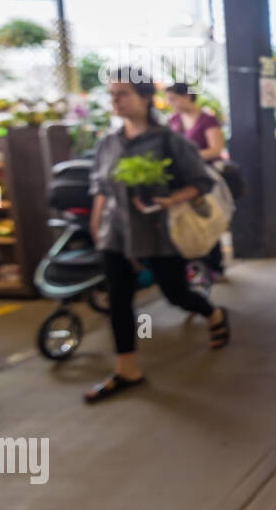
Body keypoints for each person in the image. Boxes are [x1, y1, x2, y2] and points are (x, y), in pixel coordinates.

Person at [85, 69, 229, 404]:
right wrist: (96, 226)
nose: (115, 101)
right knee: (118, 299)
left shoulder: (170, 141)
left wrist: (171, 199)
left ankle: (214, 314)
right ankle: (127, 369)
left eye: (123, 94)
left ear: (146, 98)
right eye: (112, 94)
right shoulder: (108, 143)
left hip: (159, 233)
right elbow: (100, 190)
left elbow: (201, 182)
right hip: (115, 233)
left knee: (174, 294)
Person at [166, 83, 226, 277]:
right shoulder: (173, 120)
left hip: (205, 176)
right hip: (182, 178)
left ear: (187, 96)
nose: (171, 103)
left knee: (207, 215)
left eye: (174, 98)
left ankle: (214, 265)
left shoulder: (207, 120)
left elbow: (216, 149)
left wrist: (189, 158)